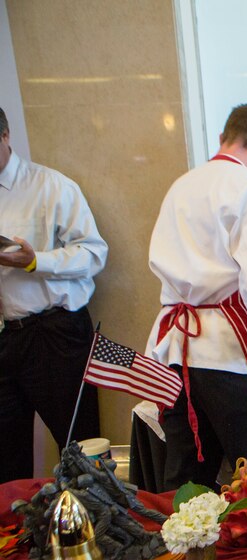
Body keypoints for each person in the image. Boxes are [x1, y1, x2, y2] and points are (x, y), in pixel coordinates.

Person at [145, 103, 247, 495]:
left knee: (187, 478)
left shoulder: (181, 185)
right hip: (232, 353)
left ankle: (185, 554)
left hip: (175, 350)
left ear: (224, 137)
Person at [0, 106, 108, 482]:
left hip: (52, 334)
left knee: (79, 450)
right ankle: (13, 538)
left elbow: (94, 254)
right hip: (4, 334)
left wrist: (35, 262)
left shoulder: (50, 186)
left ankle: (97, 532)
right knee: (6, 457)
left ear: (5, 136)